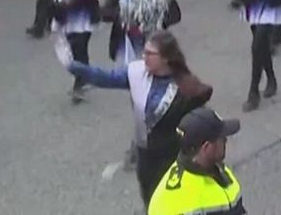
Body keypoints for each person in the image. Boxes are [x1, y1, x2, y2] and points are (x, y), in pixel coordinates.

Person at [58, 30, 213, 206]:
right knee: (149, 200)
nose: (143, 56)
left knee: (172, 204)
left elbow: (201, 123)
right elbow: (105, 78)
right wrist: (73, 66)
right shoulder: (137, 73)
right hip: (146, 155)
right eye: (144, 51)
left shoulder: (187, 87)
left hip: (173, 157)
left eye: (150, 53)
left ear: (166, 58)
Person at [147, 108, 247, 215]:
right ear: (207, 147)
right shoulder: (169, 203)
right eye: (221, 137)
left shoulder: (217, 169)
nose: (226, 140)